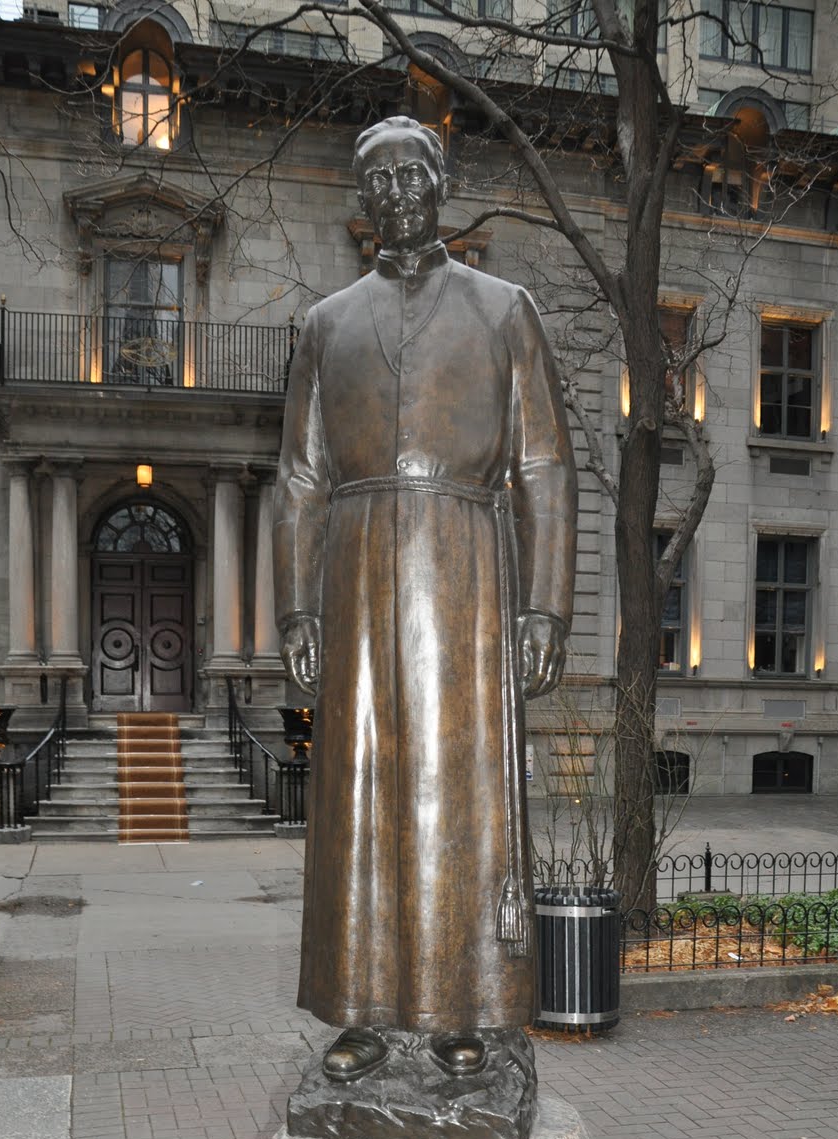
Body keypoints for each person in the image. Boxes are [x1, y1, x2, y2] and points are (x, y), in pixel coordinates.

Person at [273, 116, 577, 1086]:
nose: (400, 191)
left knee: (462, 794)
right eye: (380, 179)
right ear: (362, 200)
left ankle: (463, 1007)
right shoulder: (326, 324)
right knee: (359, 791)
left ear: (441, 183)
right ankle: (360, 1008)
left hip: (467, 572)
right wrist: (296, 609)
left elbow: (544, 467)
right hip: (357, 572)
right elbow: (300, 479)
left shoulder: (502, 308)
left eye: (415, 174)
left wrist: (544, 606)